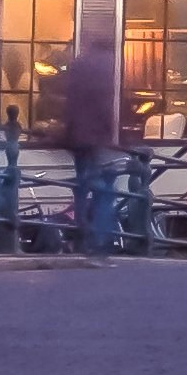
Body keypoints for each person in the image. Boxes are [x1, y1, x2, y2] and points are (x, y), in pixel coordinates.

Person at [59, 47, 123, 257]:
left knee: (82, 188)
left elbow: (68, 105)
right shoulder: (105, 68)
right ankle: (99, 243)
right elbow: (106, 108)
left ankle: (81, 238)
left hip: (78, 140)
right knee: (105, 192)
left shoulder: (79, 65)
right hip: (96, 141)